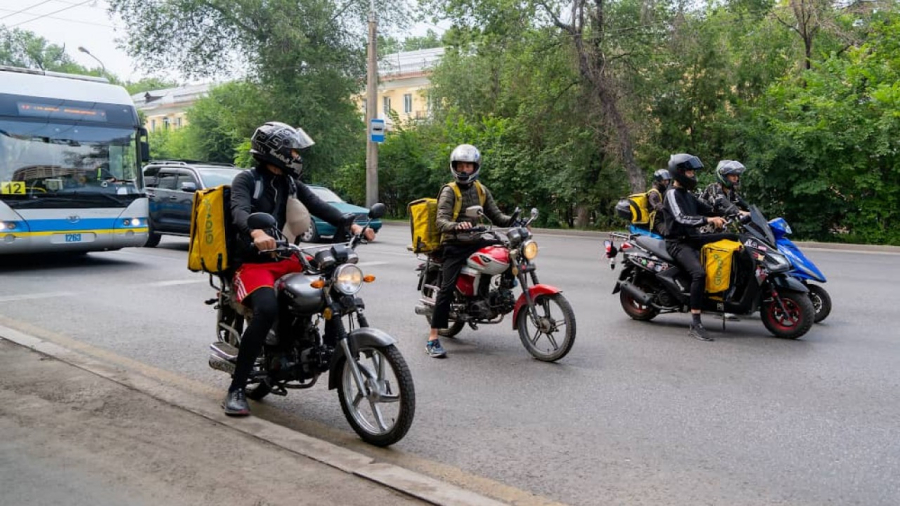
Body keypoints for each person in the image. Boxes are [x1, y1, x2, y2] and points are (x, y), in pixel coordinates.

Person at [223, 121, 373, 416]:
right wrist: (256, 233)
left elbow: (319, 205)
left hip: (284, 256)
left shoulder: (289, 182)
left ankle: (331, 347)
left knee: (334, 279)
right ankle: (237, 389)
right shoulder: (246, 180)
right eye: (292, 150)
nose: (296, 155)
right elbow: (240, 211)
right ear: (274, 151)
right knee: (266, 309)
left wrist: (352, 223)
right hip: (253, 262)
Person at [426, 144, 515, 358]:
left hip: (474, 240)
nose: (464, 169)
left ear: (475, 167)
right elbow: (441, 221)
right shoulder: (450, 191)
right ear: (454, 167)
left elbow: (497, 216)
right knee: (446, 289)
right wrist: (457, 225)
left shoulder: (481, 190)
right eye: (460, 165)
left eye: (468, 165)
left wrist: (515, 221)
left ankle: (497, 294)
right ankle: (433, 338)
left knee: (507, 252)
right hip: (454, 243)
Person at [661, 153, 730, 342]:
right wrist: (708, 220)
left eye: (693, 172)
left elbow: (708, 208)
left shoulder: (687, 195)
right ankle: (696, 322)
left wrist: (735, 212)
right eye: (690, 171)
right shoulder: (672, 194)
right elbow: (681, 218)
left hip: (693, 238)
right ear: (680, 173)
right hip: (678, 242)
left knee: (730, 241)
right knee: (699, 273)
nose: (693, 175)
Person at [647, 169, 671, 237]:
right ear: (659, 181)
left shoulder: (664, 191)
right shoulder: (654, 193)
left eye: (668, 180)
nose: (667, 182)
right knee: (669, 233)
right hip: (657, 221)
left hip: (665, 218)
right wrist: (670, 210)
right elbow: (659, 207)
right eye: (664, 180)